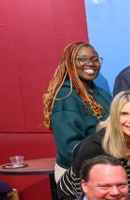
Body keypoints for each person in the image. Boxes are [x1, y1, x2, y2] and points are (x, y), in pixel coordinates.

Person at [58, 92, 130, 200]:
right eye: (124, 114)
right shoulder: (95, 147)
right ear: (114, 117)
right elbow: (84, 191)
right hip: (77, 199)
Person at [43, 42, 112, 183]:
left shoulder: (102, 94)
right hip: (80, 174)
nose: (90, 64)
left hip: (106, 167)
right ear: (69, 63)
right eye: (82, 59)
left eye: (95, 59)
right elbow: (69, 149)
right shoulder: (66, 96)